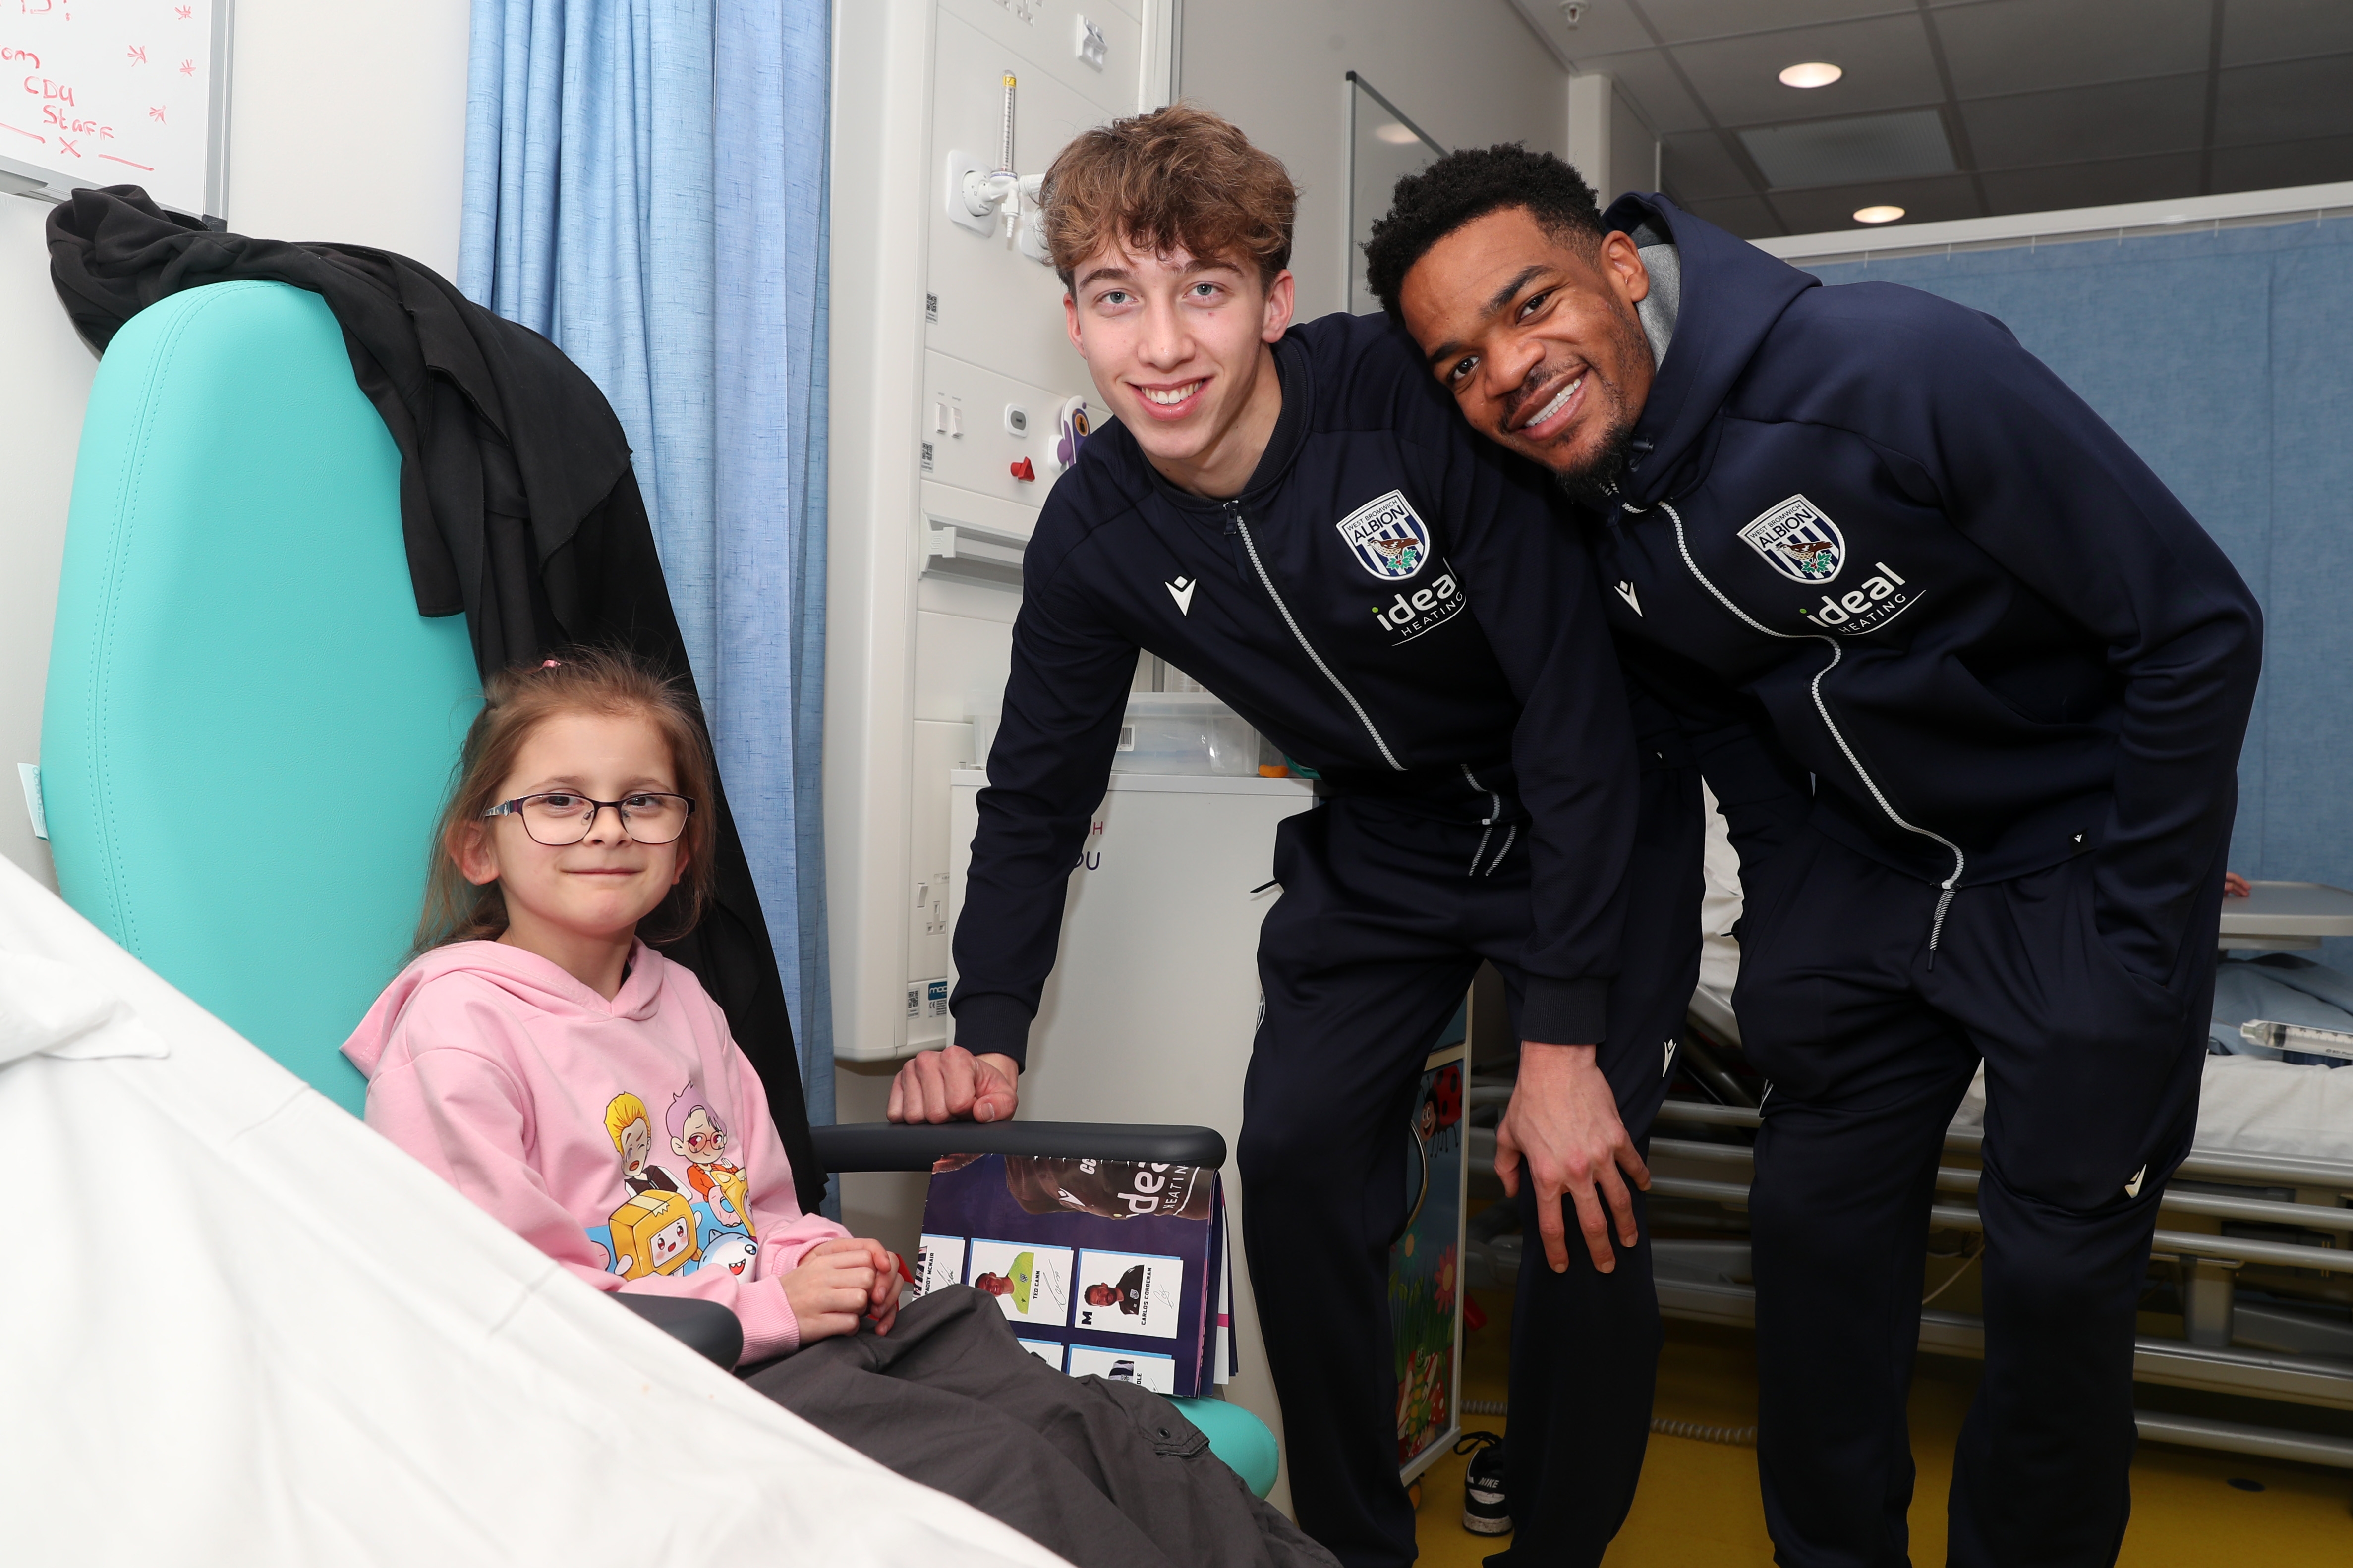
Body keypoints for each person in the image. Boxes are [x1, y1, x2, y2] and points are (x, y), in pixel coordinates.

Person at [1367, 146, 2263, 1568]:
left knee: (2049, 1296)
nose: (1507, 371)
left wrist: (2141, 934)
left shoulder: (1890, 367)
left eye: (1527, 304)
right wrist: (1792, 904)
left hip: (2063, 878)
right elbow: (1704, 706)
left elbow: (2193, 624)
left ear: (1613, 260)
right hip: (1855, 907)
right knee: (1815, 1270)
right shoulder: (1575, 498)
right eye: (1460, 363)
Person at [885, 105, 1704, 1568]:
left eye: (1202, 288)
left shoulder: (1398, 398)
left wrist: (1566, 1044)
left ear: (1272, 298)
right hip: (1385, 836)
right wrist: (989, 1017)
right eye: (1115, 298)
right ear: (1069, 317)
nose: (1162, 345)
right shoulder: (1097, 531)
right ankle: (1349, 1544)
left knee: (1583, 1183)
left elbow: (1575, 710)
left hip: (1582, 798)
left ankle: (1558, 1544)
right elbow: (1036, 788)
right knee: (1302, 1150)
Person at [343, 649, 1332, 1568]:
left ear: (683, 849)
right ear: (479, 846)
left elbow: (756, 1207)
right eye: (560, 802)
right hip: (667, 1383)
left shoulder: (678, 999)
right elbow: (514, 1309)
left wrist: (821, 1258)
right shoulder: (459, 1029)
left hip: (784, 1337)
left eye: (642, 802)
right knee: (1007, 1472)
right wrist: (775, 1303)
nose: (606, 827)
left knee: (1095, 1422)